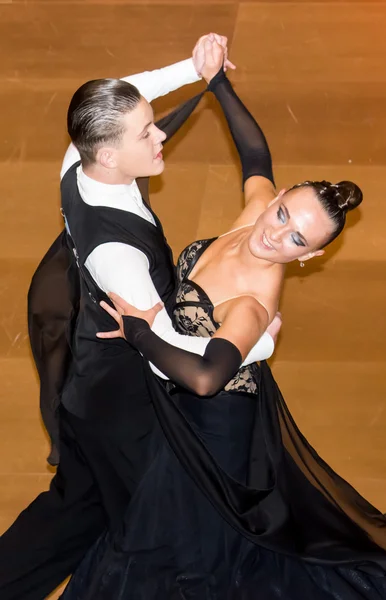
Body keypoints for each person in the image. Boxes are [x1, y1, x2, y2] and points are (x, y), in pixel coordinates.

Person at [65, 40, 386, 599]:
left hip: (215, 422)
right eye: (284, 212)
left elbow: (204, 378)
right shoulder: (255, 214)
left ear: (310, 257)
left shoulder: (252, 304)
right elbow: (255, 155)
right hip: (184, 400)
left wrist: (139, 330)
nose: (276, 233)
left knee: (179, 551)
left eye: (297, 239)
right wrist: (216, 80)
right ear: (277, 197)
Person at [0, 34, 278, 600]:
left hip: (89, 384)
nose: (161, 135)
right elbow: (171, 352)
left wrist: (194, 67)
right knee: (150, 529)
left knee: (74, 508)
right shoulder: (117, 256)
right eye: (145, 133)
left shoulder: (78, 161)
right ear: (106, 153)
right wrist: (257, 342)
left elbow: (134, 93)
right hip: (123, 406)